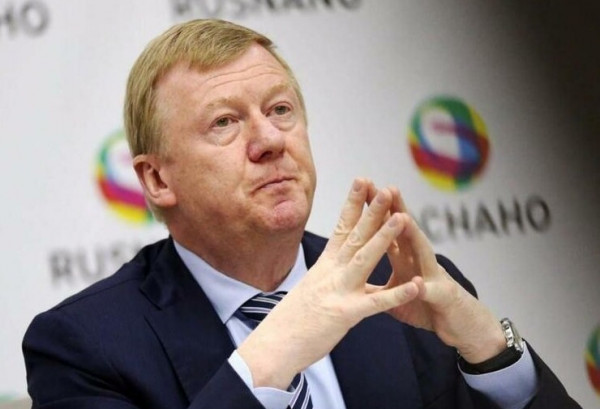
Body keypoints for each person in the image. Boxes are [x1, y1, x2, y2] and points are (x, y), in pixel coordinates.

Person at [23, 19, 580, 409]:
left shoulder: (400, 287)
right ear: (157, 179)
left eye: (280, 109)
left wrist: (490, 350)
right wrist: (281, 343)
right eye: (224, 122)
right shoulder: (84, 346)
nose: (270, 140)